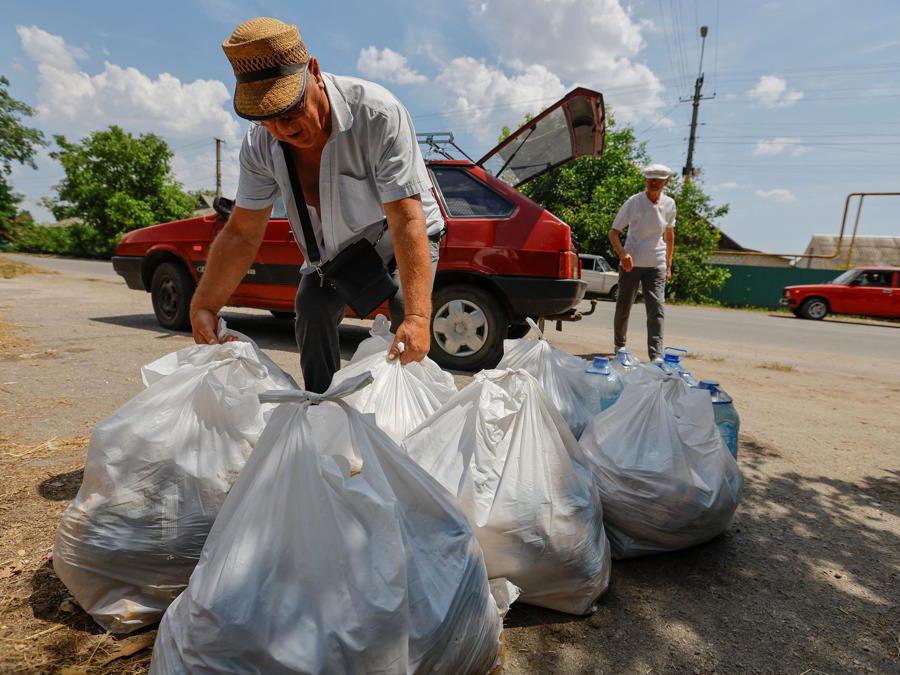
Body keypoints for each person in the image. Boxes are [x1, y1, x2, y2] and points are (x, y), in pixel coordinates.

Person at [189, 17, 444, 393]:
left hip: (401, 234)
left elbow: (407, 218)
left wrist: (421, 317)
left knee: (408, 314)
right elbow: (242, 233)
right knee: (312, 308)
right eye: (266, 119)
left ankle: (405, 433)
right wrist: (205, 305)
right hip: (334, 254)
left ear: (314, 71)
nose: (281, 129)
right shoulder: (261, 144)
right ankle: (321, 411)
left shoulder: (377, 115)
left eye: (290, 111)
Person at [608, 164, 676, 361]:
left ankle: (655, 355)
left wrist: (669, 265)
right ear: (645, 181)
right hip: (632, 262)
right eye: (650, 179)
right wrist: (622, 254)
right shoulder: (634, 202)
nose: (653, 183)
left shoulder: (669, 204)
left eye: (658, 179)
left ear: (666, 182)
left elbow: (669, 236)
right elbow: (613, 233)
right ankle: (619, 347)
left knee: (656, 308)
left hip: (657, 262)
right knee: (624, 306)